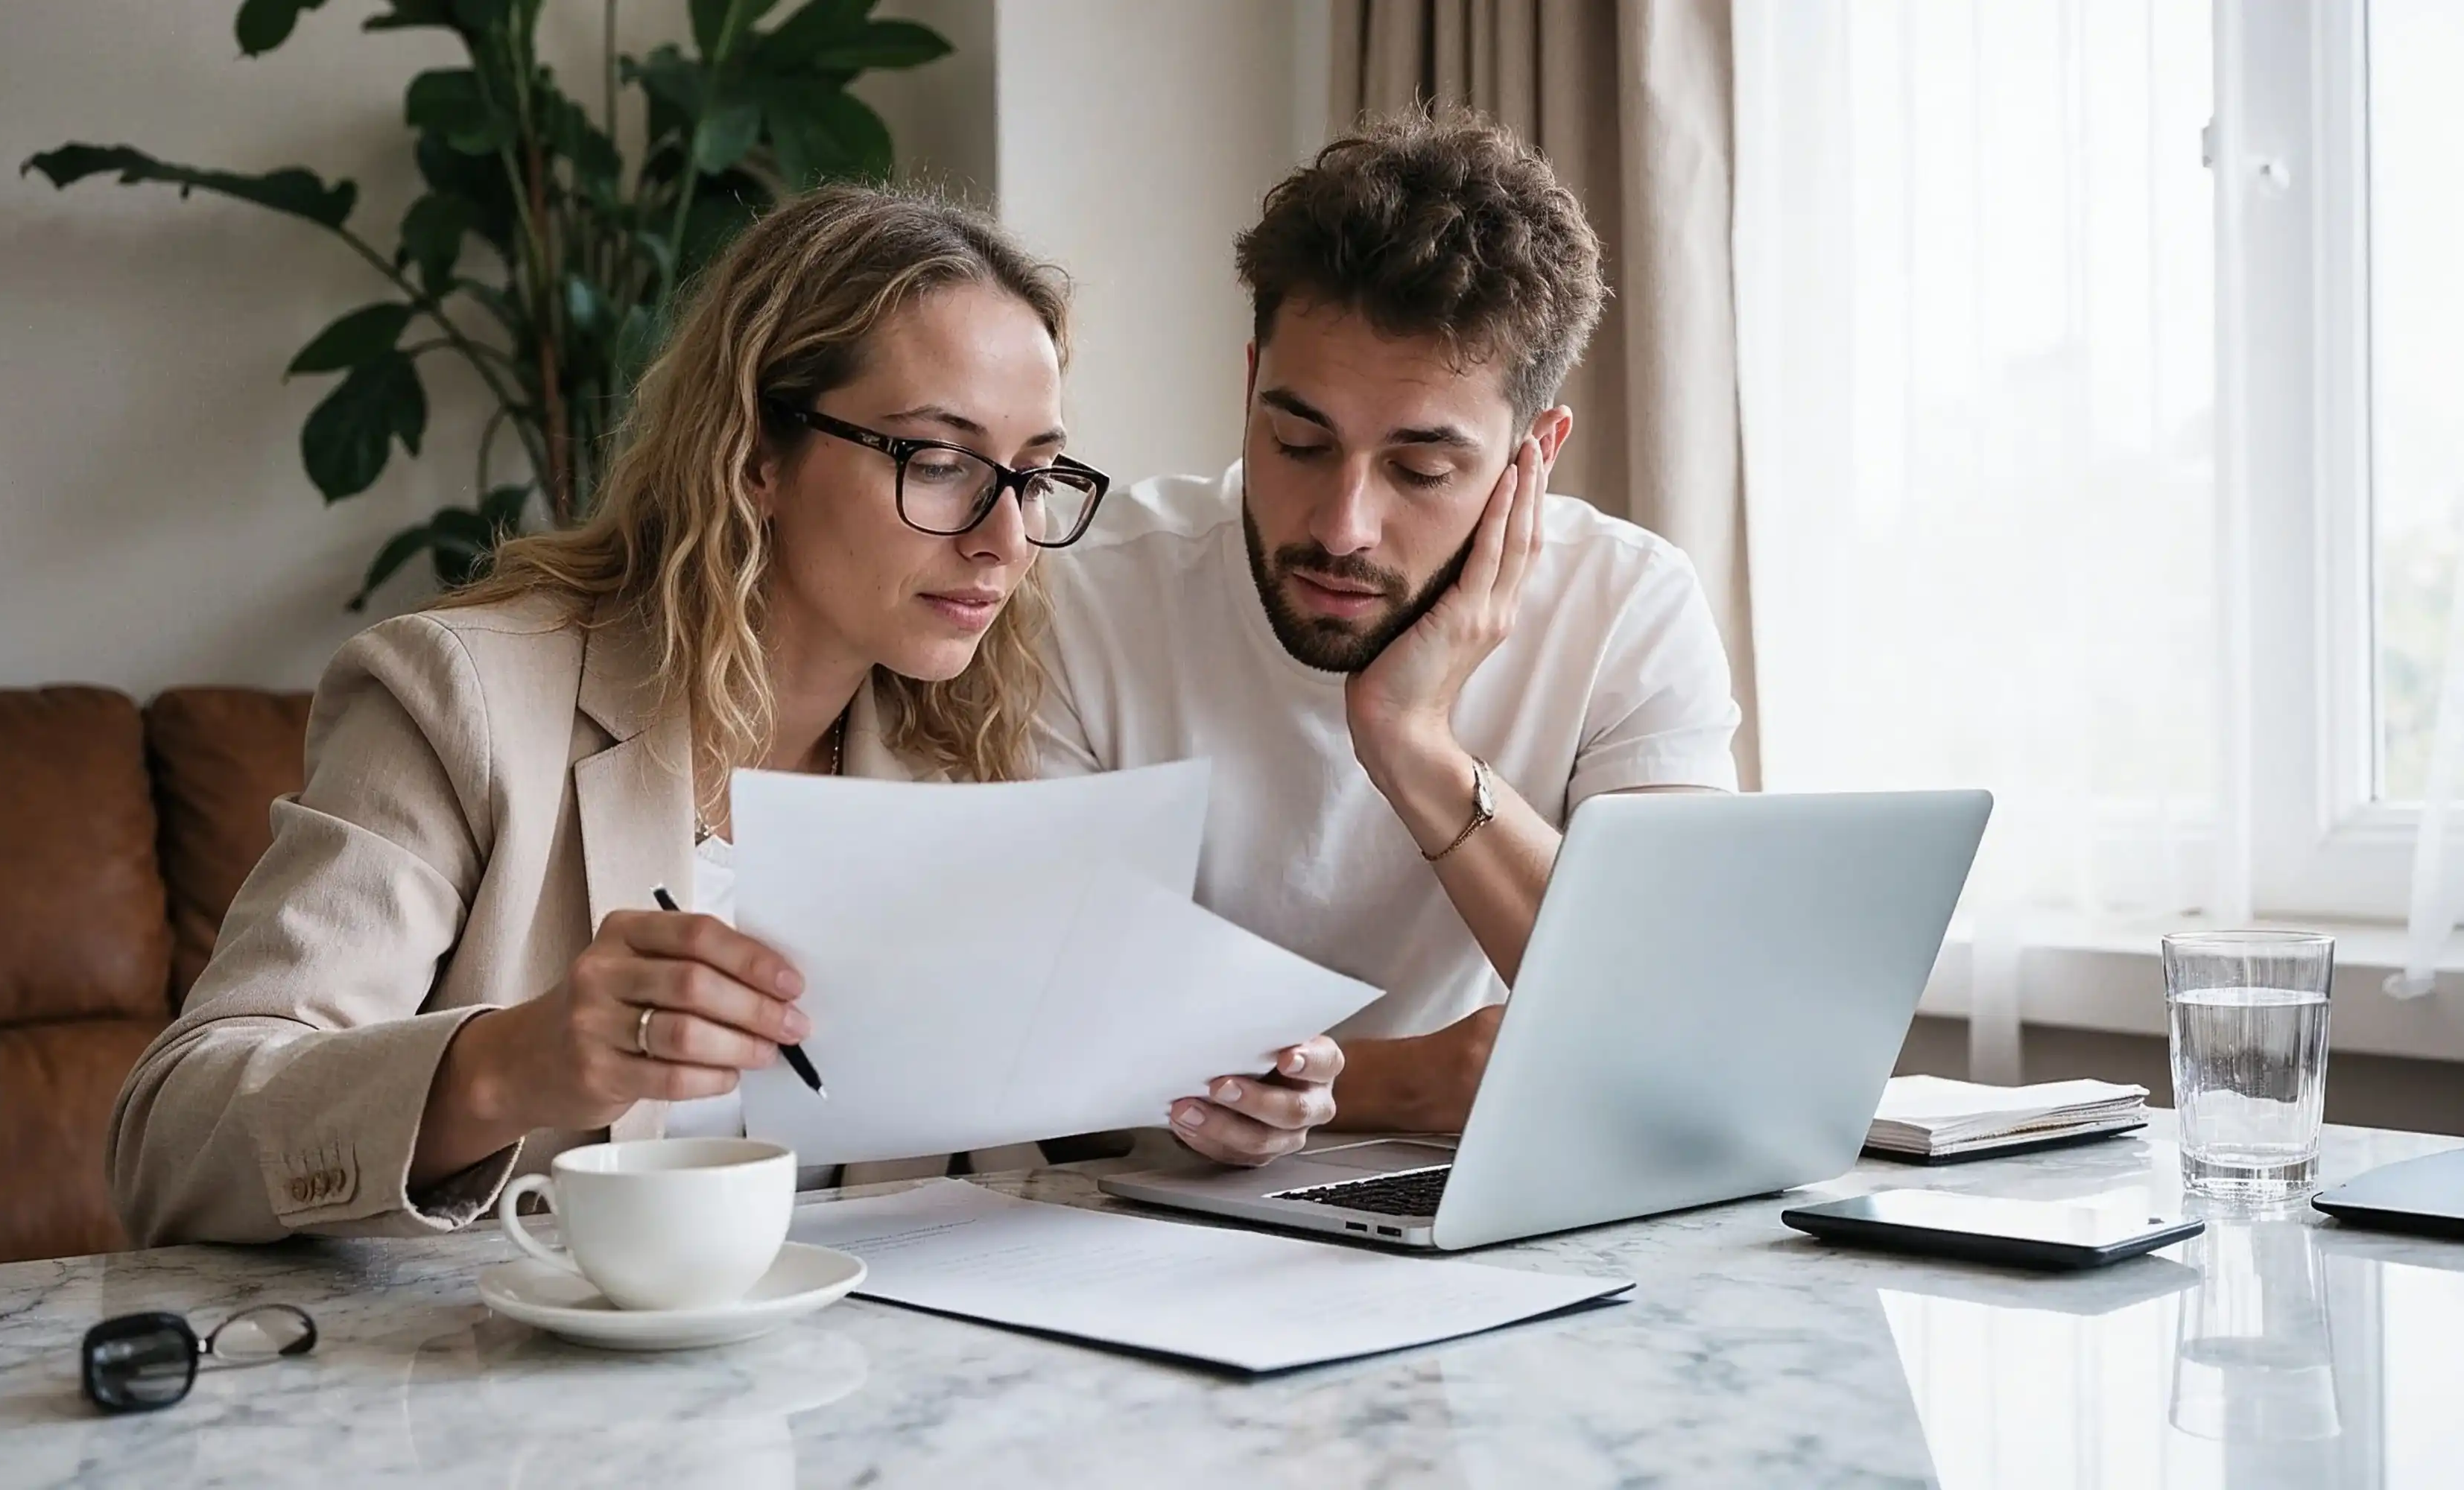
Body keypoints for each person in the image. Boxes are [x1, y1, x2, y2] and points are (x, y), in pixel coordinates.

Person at [109, 185, 1344, 1245]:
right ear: (757, 450)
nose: (1005, 538)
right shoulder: (460, 703)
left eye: (1031, 473)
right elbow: (177, 1136)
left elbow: (1028, 1146)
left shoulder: (967, 766)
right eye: (939, 458)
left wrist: (1215, 1098)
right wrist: (509, 1064)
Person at [1039, 111, 1744, 1160]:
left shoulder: (1627, 607)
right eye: (1297, 440)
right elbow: (1045, 1048)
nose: (1341, 525)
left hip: (1487, 1211)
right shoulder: (1085, 594)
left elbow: (1685, 1034)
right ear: (1248, 390)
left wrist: (1411, 740)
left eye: (1421, 470)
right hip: (1135, 1215)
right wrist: (1412, 1082)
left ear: (1531, 457)